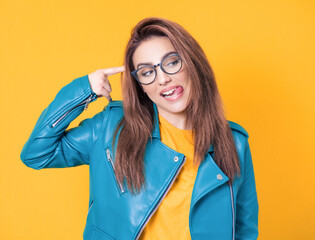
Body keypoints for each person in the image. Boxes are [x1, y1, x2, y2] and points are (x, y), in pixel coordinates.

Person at [20, 17, 258, 240]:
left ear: (192, 63)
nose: (163, 78)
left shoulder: (234, 143)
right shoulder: (112, 127)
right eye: (147, 72)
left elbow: (244, 230)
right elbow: (37, 154)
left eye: (172, 62)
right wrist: (84, 89)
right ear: (141, 86)